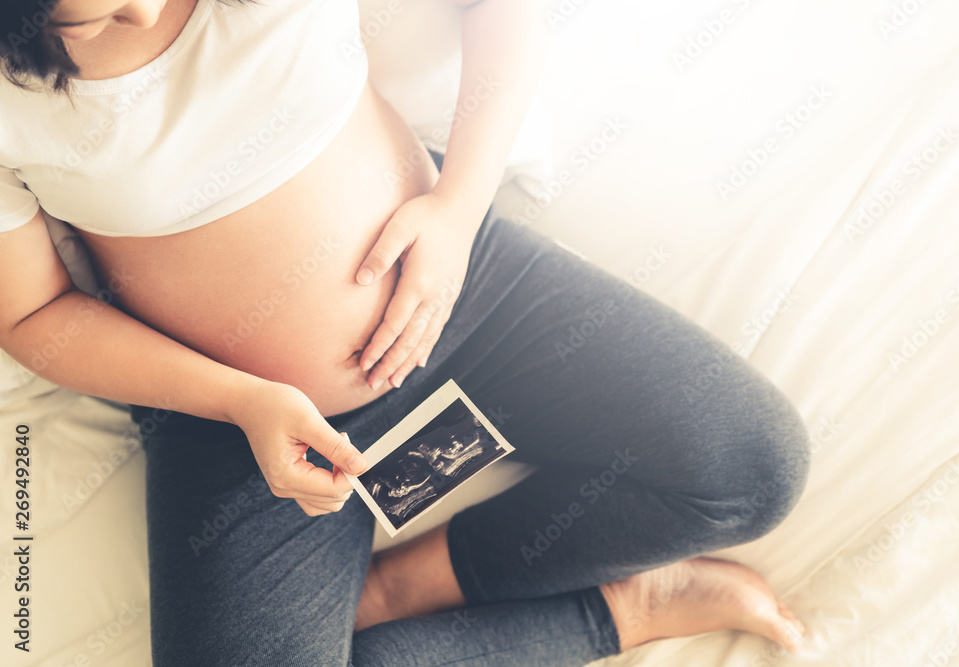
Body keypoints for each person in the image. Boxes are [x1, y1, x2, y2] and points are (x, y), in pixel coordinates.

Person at [0, 0, 812, 664]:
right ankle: (611, 616)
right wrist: (245, 401)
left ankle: (390, 594)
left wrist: (457, 212)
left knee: (751, 466)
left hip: (465, 300)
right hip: (235, 430)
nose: (144, 12)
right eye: (89, 16)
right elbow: (33, 316)